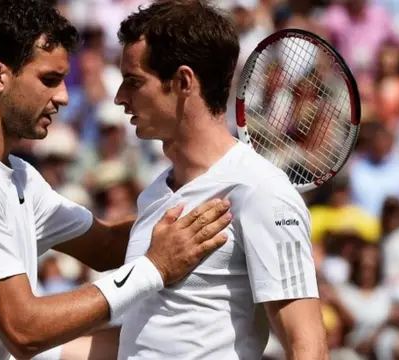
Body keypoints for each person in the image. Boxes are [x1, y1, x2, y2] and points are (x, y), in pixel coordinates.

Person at [0, 1, 233, 360]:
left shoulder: (19, 177)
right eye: (49, 80)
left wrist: (219, 204)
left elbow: (108, 245)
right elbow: (24, 330)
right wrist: (153, 268)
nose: (63, 96)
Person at [65, 1, 328, 359]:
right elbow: (143, 341)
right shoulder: (156, 193)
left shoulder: (261, 190)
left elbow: (308, 347)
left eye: (134, 81)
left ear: (183, 82)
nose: (119, 97)